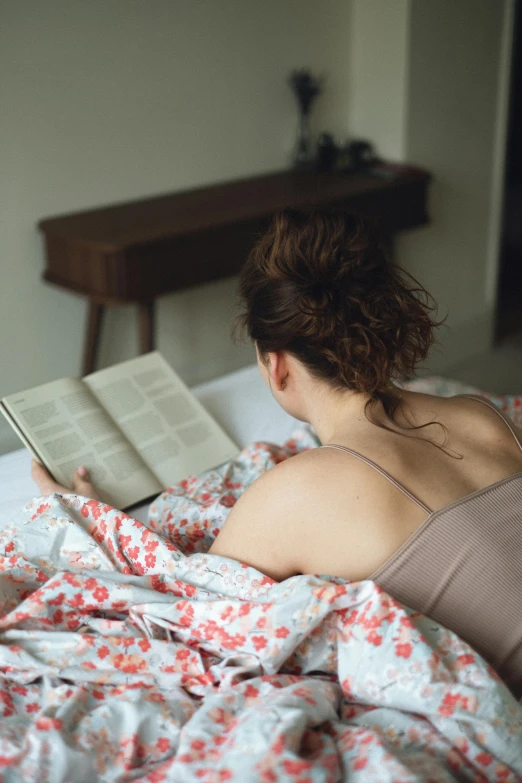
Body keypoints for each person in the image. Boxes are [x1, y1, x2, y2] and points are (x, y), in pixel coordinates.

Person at [32, 208, 522, 696]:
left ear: (278, 366)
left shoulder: (296, 495)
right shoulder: (484, 415)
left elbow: (189, 614)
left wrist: (89, 517)